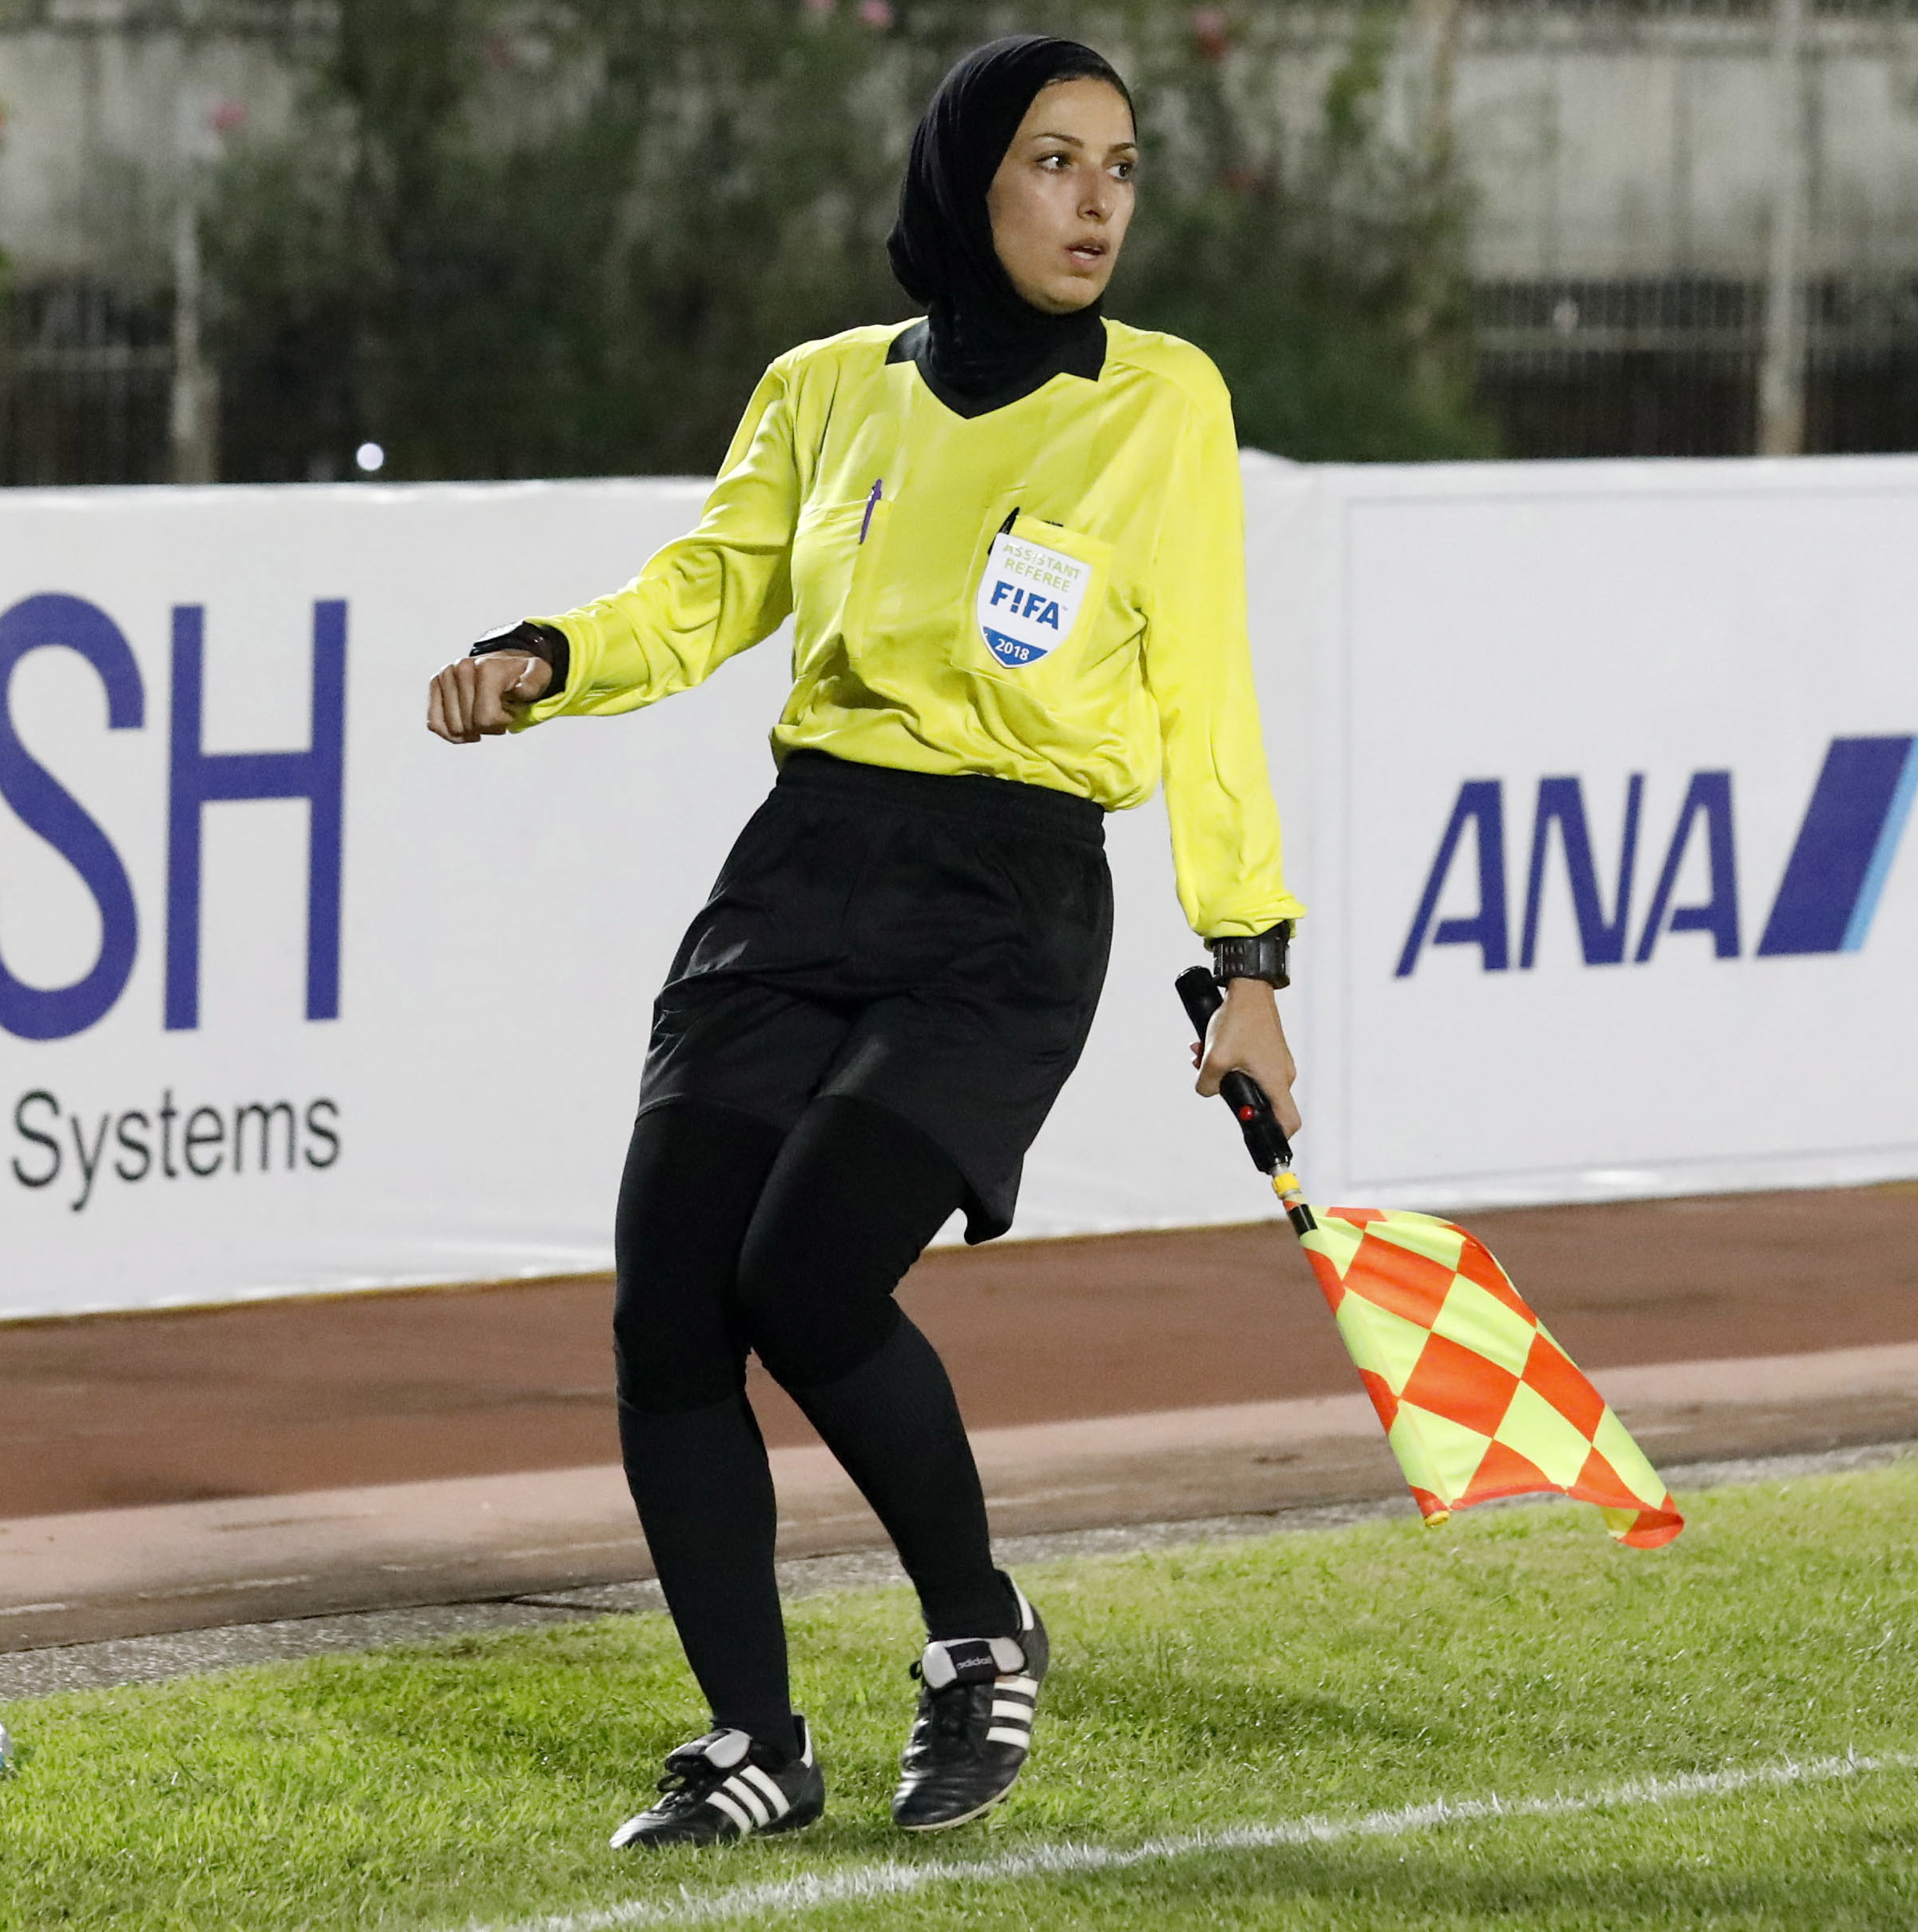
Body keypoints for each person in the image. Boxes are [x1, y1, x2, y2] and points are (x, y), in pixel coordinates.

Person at [426, 32, 1302, 1850]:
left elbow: (1209, 689)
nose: (1095, 202)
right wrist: (549, 659)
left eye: (1119, 167)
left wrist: (1251, 961)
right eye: (1054, 161)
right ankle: (751, 1739)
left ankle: (979, 1631)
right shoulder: (824, 388)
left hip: (1007, 899)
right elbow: (707, 590)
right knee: (667, 1309)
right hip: (798, 870)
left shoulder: (1164, 404)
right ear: (962, 183)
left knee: (807, 1279)